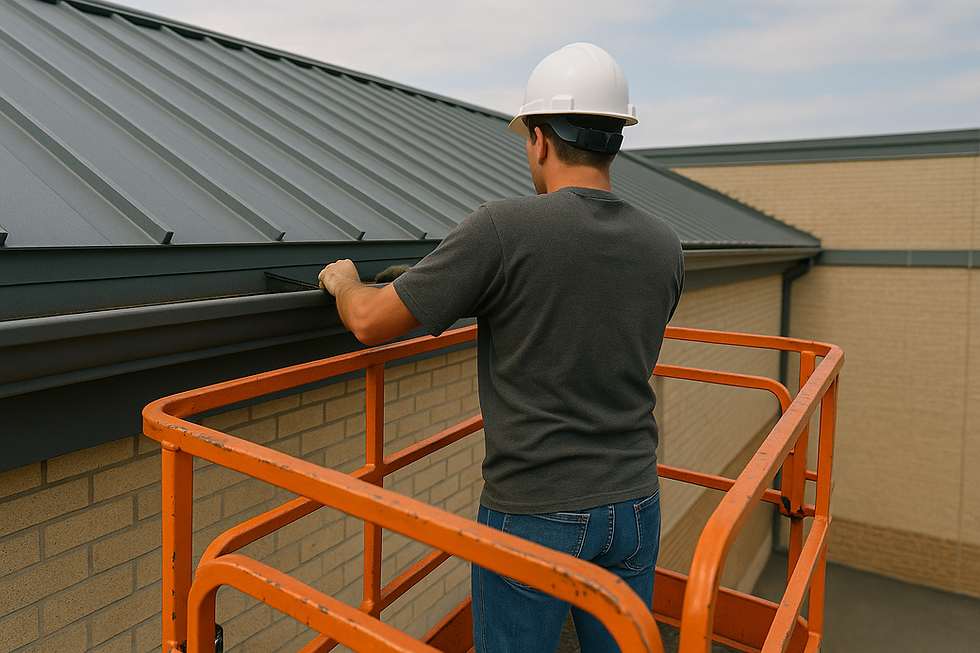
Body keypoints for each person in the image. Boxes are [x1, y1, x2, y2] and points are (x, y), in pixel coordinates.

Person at [318, 42, 684, 653]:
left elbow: (368, 323)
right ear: (616, 136)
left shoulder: (503, 228)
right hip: (634, 502)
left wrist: (344, 280)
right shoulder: (664, 244)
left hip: (535, 508)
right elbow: (586, 302)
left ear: (540, 138)